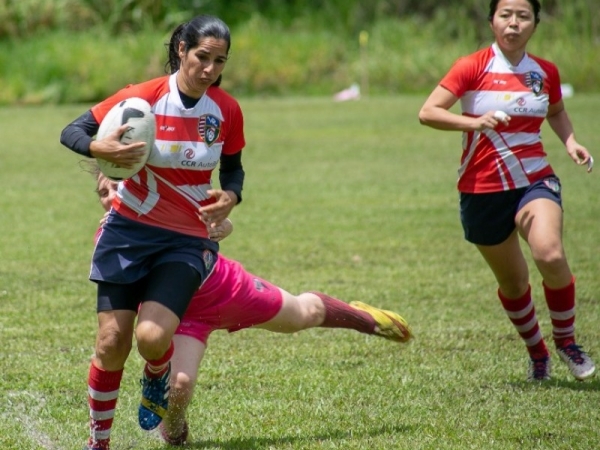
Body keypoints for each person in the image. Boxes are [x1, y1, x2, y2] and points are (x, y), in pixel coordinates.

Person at [90, 170, 412, 446]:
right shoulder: (112, 237)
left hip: (226, 290)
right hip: (181, 318)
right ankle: (174, 431)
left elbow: (217, 221)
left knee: (303, 315)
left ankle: (366, 319)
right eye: (104, 192)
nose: (111, 195)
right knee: (180, 386)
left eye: (118, 185)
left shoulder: (167, 202)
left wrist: (223, 226)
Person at [61, 15, 247, 450]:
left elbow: (234, 169)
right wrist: (97, 147)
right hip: (127, 231)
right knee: (111, 342)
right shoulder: (143, 97)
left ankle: (157, 373)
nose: (210, 69)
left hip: (186, 239)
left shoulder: (226, 110)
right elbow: (73, 130)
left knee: (151, 337)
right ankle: (98, 443)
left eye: (220, 61)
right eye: (203, 56)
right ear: (181, 49)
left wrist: (232, 196)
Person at [418, 0, 595, 382]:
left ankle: (566, 342)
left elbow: (556, 111)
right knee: (514, 284)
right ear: (492, 21)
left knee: (549, 253)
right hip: (482, 188)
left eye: (523, 16)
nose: (514, 24)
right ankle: (538, 354)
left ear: (534, 23)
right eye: (505, 15)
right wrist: (474, 122)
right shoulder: (472, 66)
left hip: (534, 179)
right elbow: (428, 112)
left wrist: (570, 142)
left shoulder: (544, 71)